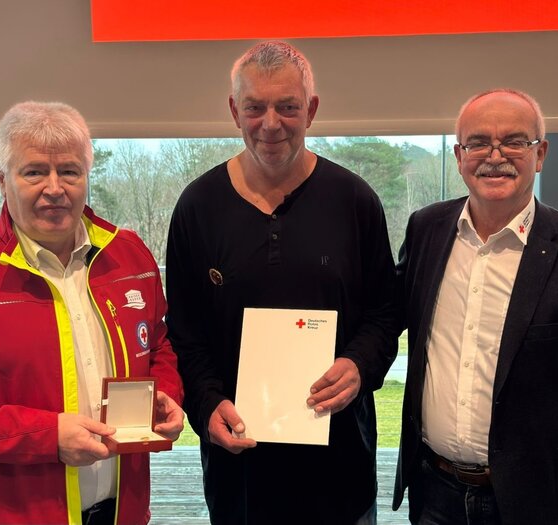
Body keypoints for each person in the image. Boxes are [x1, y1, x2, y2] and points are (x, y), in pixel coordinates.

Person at [0, 101, 184, 525]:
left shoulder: (130, 255)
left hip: (124, 510)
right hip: (11, 515)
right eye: (34, 172)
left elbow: (157, 345)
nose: (55, 188)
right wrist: (46, 437)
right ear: (1, 178)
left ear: (87, 175)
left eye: (70, 171)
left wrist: (166, 394)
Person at [165, 41, 398, 524]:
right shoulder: (197, 207)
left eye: (287, 107)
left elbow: (384, 313)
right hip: (238, 471)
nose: (270, 123)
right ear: (235, 110)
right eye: (255, 107)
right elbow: (185, 334)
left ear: (311, 109)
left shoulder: (355, 201)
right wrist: (206, 403)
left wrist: (358, 365)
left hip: (340, 469)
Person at [392, 88, 558, 525]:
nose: (495, 156)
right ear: (459, 155)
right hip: (434, 495)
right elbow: (384, 313)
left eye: (514, 142)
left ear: (540, 154)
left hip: (535, 504)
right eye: (478, 142)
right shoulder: (426, 229)